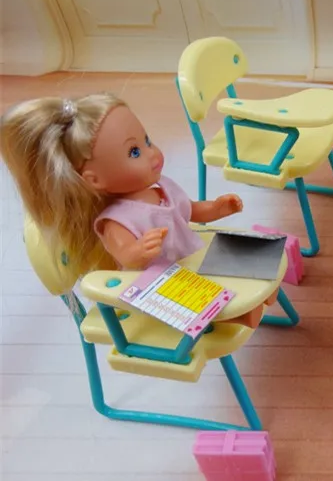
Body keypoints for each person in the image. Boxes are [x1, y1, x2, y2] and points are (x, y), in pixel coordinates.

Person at [0, 93, 268, 327]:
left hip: (186, 257)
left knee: (254, 258)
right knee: (195, 302)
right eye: (135, 152)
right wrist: (139, 251)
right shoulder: (114, 220)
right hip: (151, 278)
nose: (152, 153)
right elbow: (126, 255)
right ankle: (240, 315)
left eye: (147, 141)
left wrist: (217, 208)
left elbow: (191, 211)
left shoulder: (162, 188)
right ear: (94, 180)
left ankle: (259, 287)